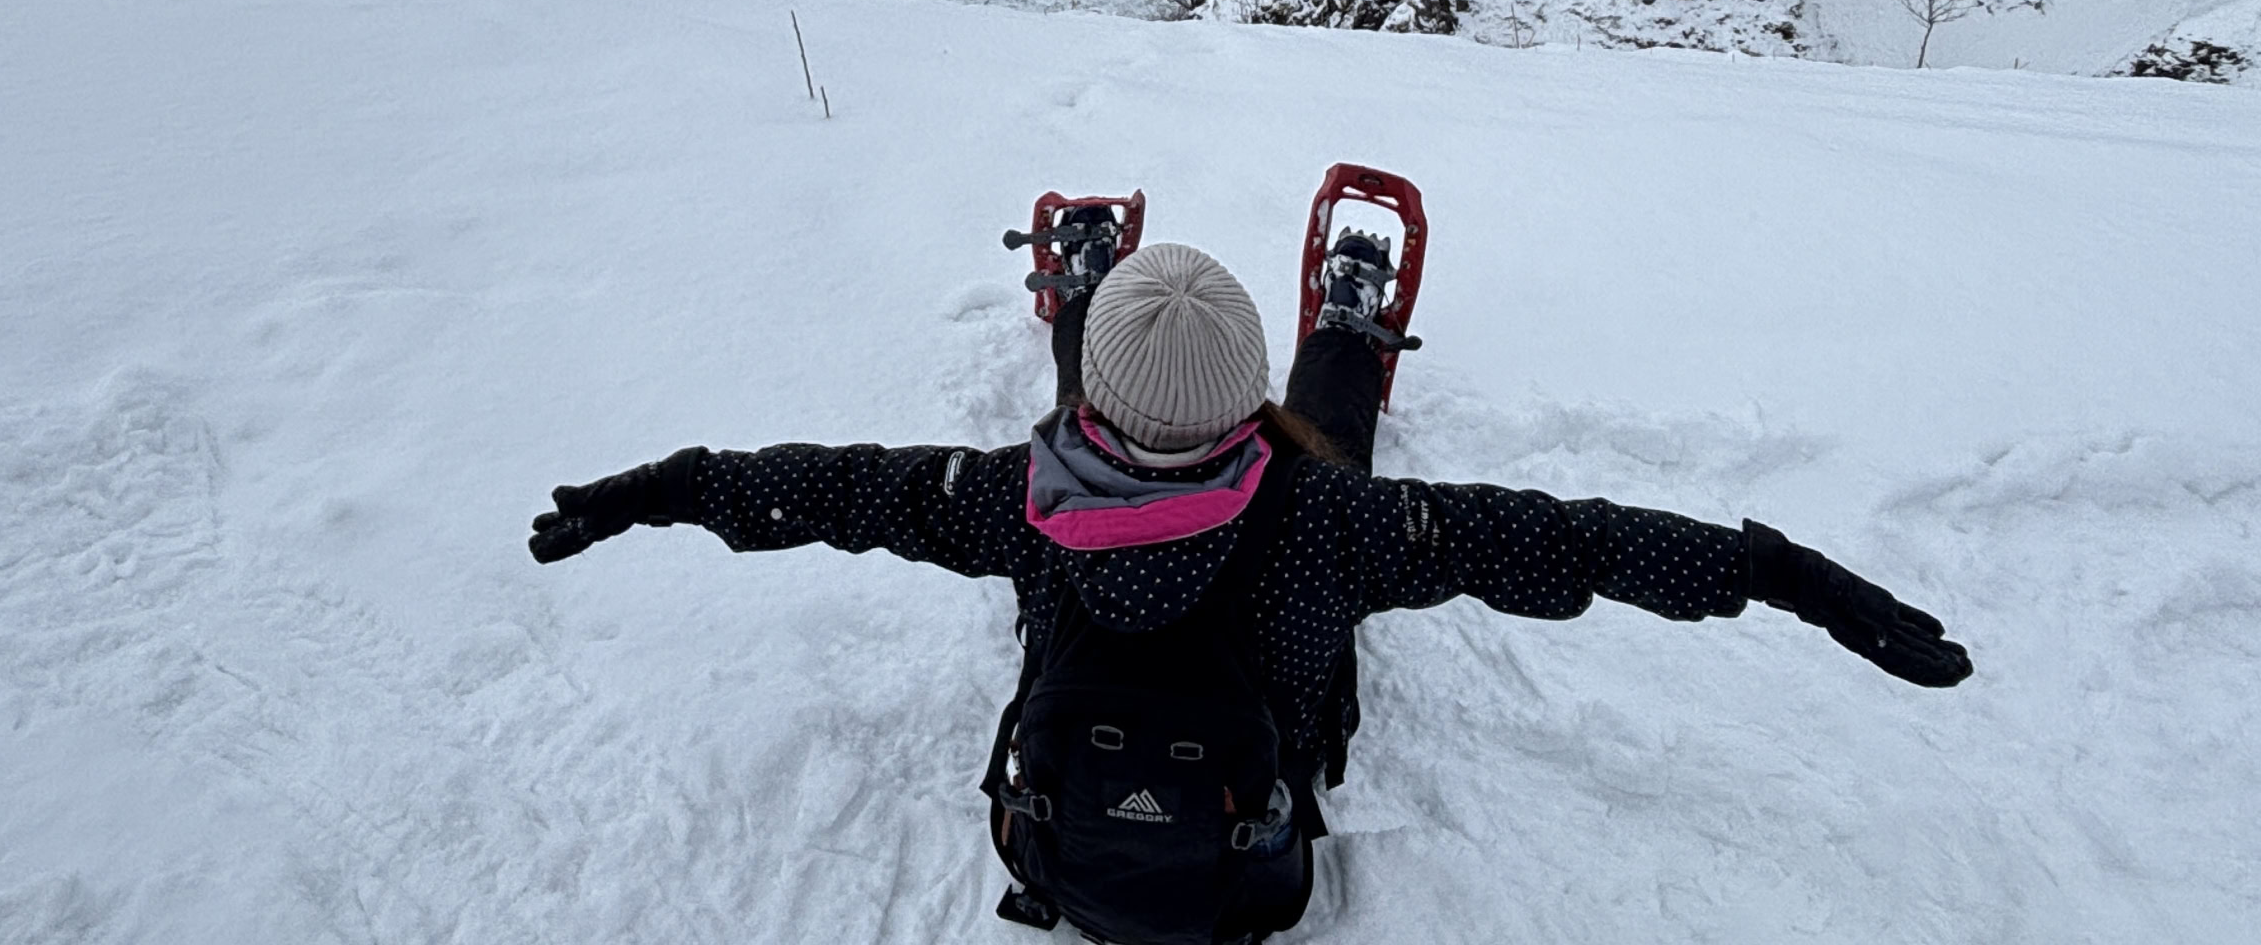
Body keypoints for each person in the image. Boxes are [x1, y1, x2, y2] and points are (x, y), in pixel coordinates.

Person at [529, 238, 1970, 944]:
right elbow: (1570, 542)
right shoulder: (1333, 518)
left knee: (1094, 445)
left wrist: (650, 491)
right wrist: (1786, 580)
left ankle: (1090, 287)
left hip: (1068, 856)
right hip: (1245, 857)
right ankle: (1343, 327)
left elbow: (827, 490)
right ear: (1239, 414)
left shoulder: (1012, 506)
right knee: (1331, 421)